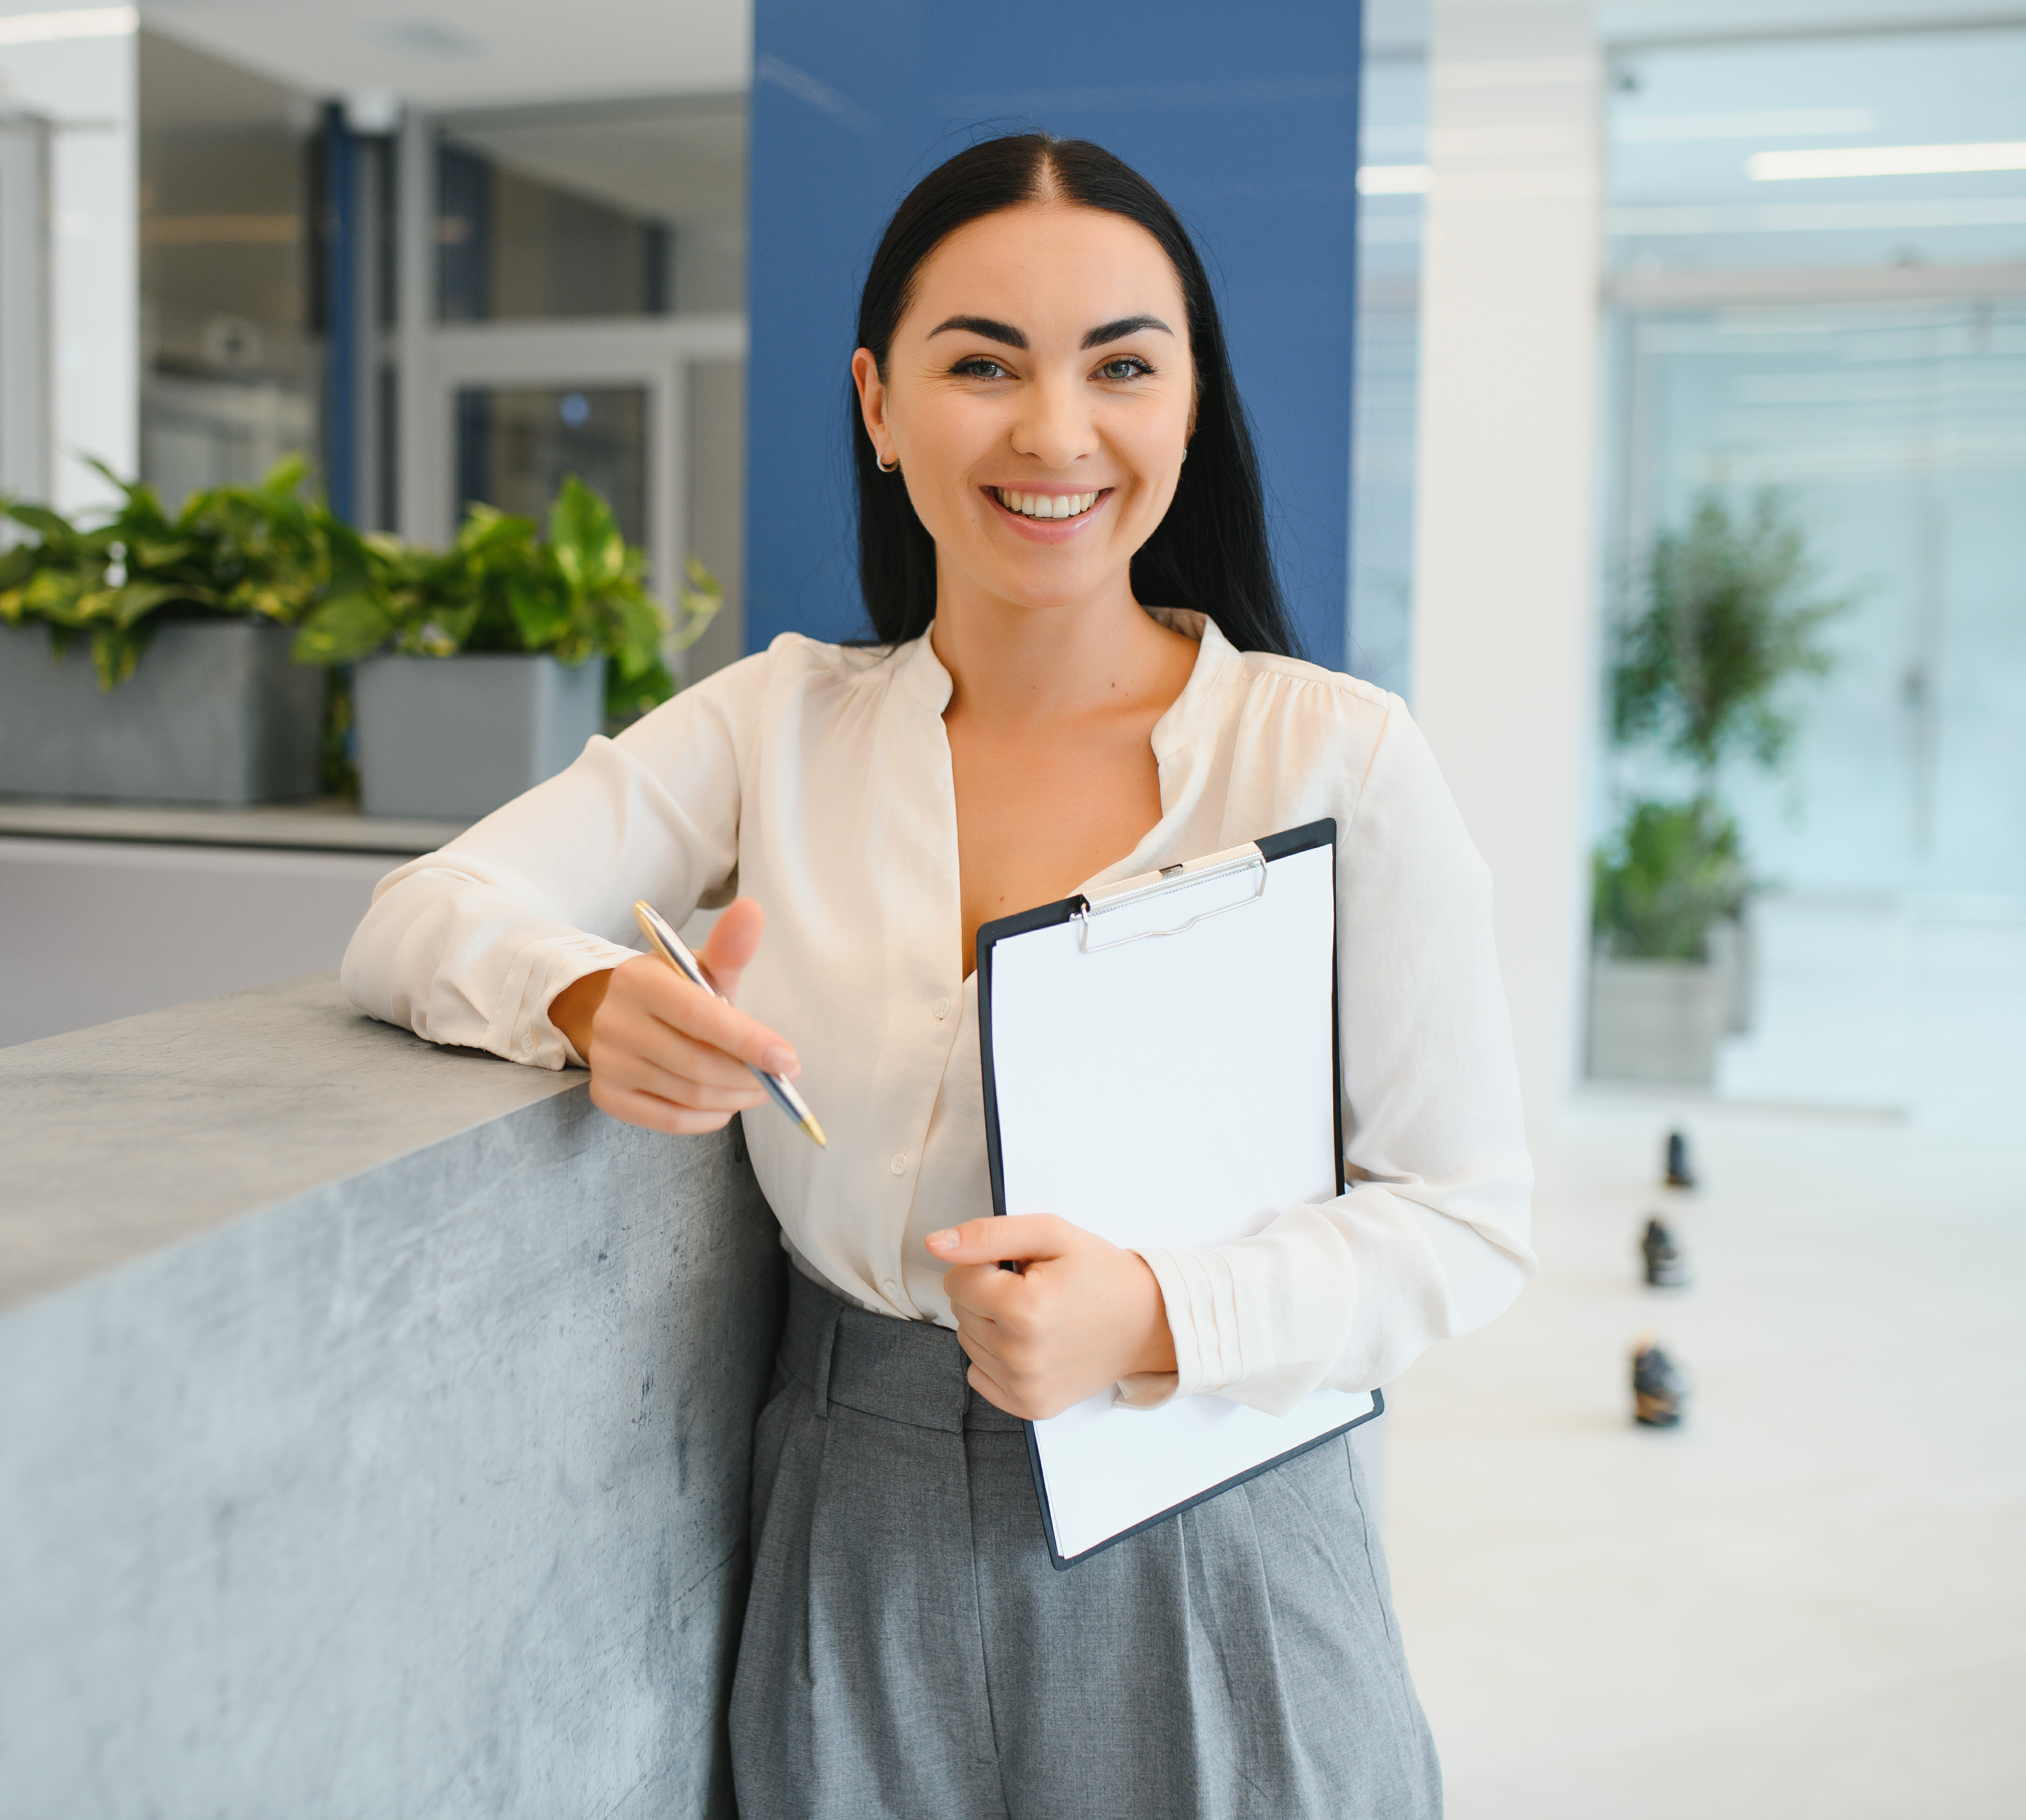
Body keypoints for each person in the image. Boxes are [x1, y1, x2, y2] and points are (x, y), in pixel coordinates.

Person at [341, 134, 1533, 1819]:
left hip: (1218, 1531)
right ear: (878, 405)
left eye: (1121, 365)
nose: (1055, 432)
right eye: (981, 364)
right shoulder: (776, 727)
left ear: (1190, 405)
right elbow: (423, 911)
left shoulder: (1331, 759)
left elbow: (1464, 1218)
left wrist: (1155, 1313)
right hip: (853, 1528)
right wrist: (588, 1002)